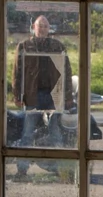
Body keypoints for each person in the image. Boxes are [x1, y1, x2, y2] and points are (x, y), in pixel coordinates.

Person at [12, 15, 74, 176]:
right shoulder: (24, 46)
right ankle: (22, 169)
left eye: (46, 26)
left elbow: (67, 72)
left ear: (49, 28)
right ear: (34, 27)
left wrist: (68, 97)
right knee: (27, 133)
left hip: (54, 95)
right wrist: (17, 95)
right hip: (32, 95)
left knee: (55, 133)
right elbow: (16, 72)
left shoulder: (57, 46)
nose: (43, 29)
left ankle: (59, 169)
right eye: (41, 26)